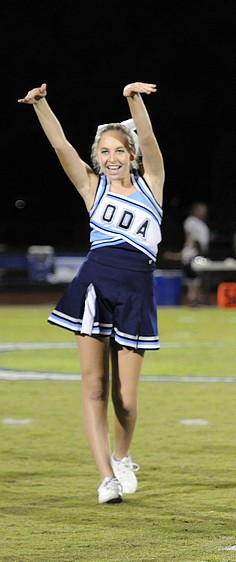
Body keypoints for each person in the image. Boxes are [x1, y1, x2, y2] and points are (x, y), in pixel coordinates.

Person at [18, 82, 164, 504]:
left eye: (119, 151)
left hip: (136, 293)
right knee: (94, 387)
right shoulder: (91, 187)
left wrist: (132, 100)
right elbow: (61, 146)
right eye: (104, 152)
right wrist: (41, 105)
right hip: (94, 289)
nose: (111, 158)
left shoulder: (152, 185)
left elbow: (150, 139)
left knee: (127, 398)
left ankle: (122, 455)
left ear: (132, 156)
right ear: (96, 158)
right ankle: (106, 478)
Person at [183, 201, 210, 306]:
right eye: (200, 210)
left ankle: (197, 299)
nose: (203, 213)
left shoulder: (201, 223)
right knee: (194, 278)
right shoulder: (191, 221)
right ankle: (193, 299)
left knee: (198, 278)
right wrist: (196, 248)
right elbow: (190, 238)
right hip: (192, 253)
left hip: (200, 253)